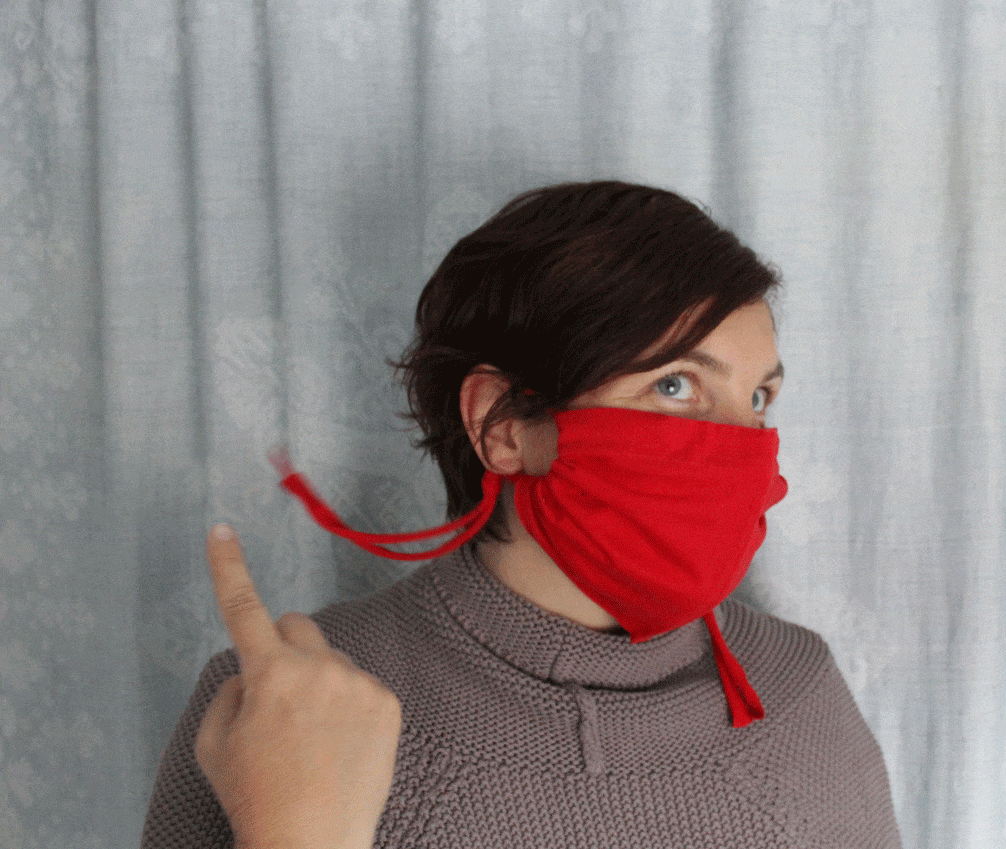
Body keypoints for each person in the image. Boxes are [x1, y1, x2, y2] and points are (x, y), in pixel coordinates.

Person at [141, 180, 902, 848]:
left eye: (759, 397)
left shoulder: (799, 691)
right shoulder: (279, 703)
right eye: (675, 385)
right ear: (502, 425)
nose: (742, 447)